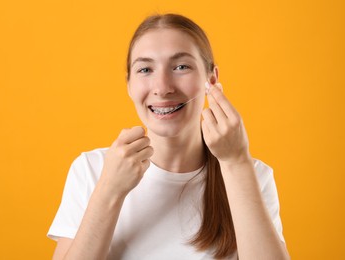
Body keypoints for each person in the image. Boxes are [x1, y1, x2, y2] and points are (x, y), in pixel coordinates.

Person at [47, 13, 290, 260]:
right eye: (145, 69)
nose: (162, 88)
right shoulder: (91, 170)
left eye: (181, 67)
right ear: (129, 84)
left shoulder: (251, 174)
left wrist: (236, 163)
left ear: (212, 79)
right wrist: (109, 191)